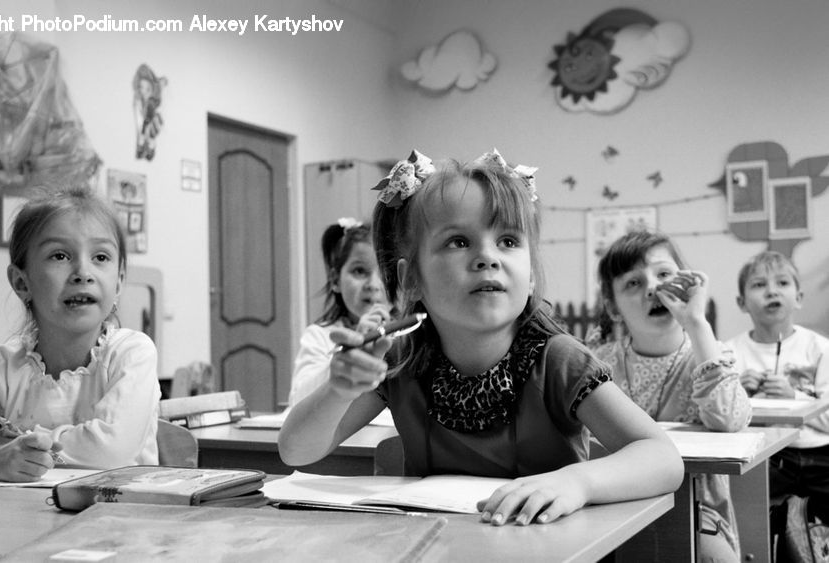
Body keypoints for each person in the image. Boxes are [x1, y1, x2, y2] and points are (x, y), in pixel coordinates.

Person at [279, 149, 683, 526]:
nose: (488, 256)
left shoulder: (559, 360)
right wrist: (337, 388)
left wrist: (578, 483)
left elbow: (663, 458)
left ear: (530, 278)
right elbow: (297, 452)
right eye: (458, 241)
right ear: (411, 279)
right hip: (436, 546)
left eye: (508, 241)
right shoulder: (399, 360)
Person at [0, 186, 161, 482]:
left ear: (119, 282)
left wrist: (21, 447)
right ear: (21, 283)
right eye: (60, 255)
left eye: (101, 257)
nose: (83, 272)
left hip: (120, 522)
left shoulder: (132, 353)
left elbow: (113, 450)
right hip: (24, 522)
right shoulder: (3, 365)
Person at [592, 229, 752, 561]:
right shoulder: (598, 363)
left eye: (664, 274)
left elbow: (729, 419)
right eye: (633, 283)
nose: (653, 288)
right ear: (613, 307)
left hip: (695, 508)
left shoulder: (707, 354)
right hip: (610, 504)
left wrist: (696, 322)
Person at [727, 250, 829, 506]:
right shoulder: (728, 352)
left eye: (782, 283)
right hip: (764, 457)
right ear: (741, 302)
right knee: (754, 515)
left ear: (799, 297)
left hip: (821, 454)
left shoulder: (820, 348)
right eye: (759, 285)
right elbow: (719, 418)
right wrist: (739, 394)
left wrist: (794, 398)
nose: (772, 292)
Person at [287, 218, 390, 406]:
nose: (374, 285)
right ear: (335, 280)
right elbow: (297, 400)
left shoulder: (411, 339)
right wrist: (341, 363)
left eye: (385, 273)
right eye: (360, 271)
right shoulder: (321, 336)